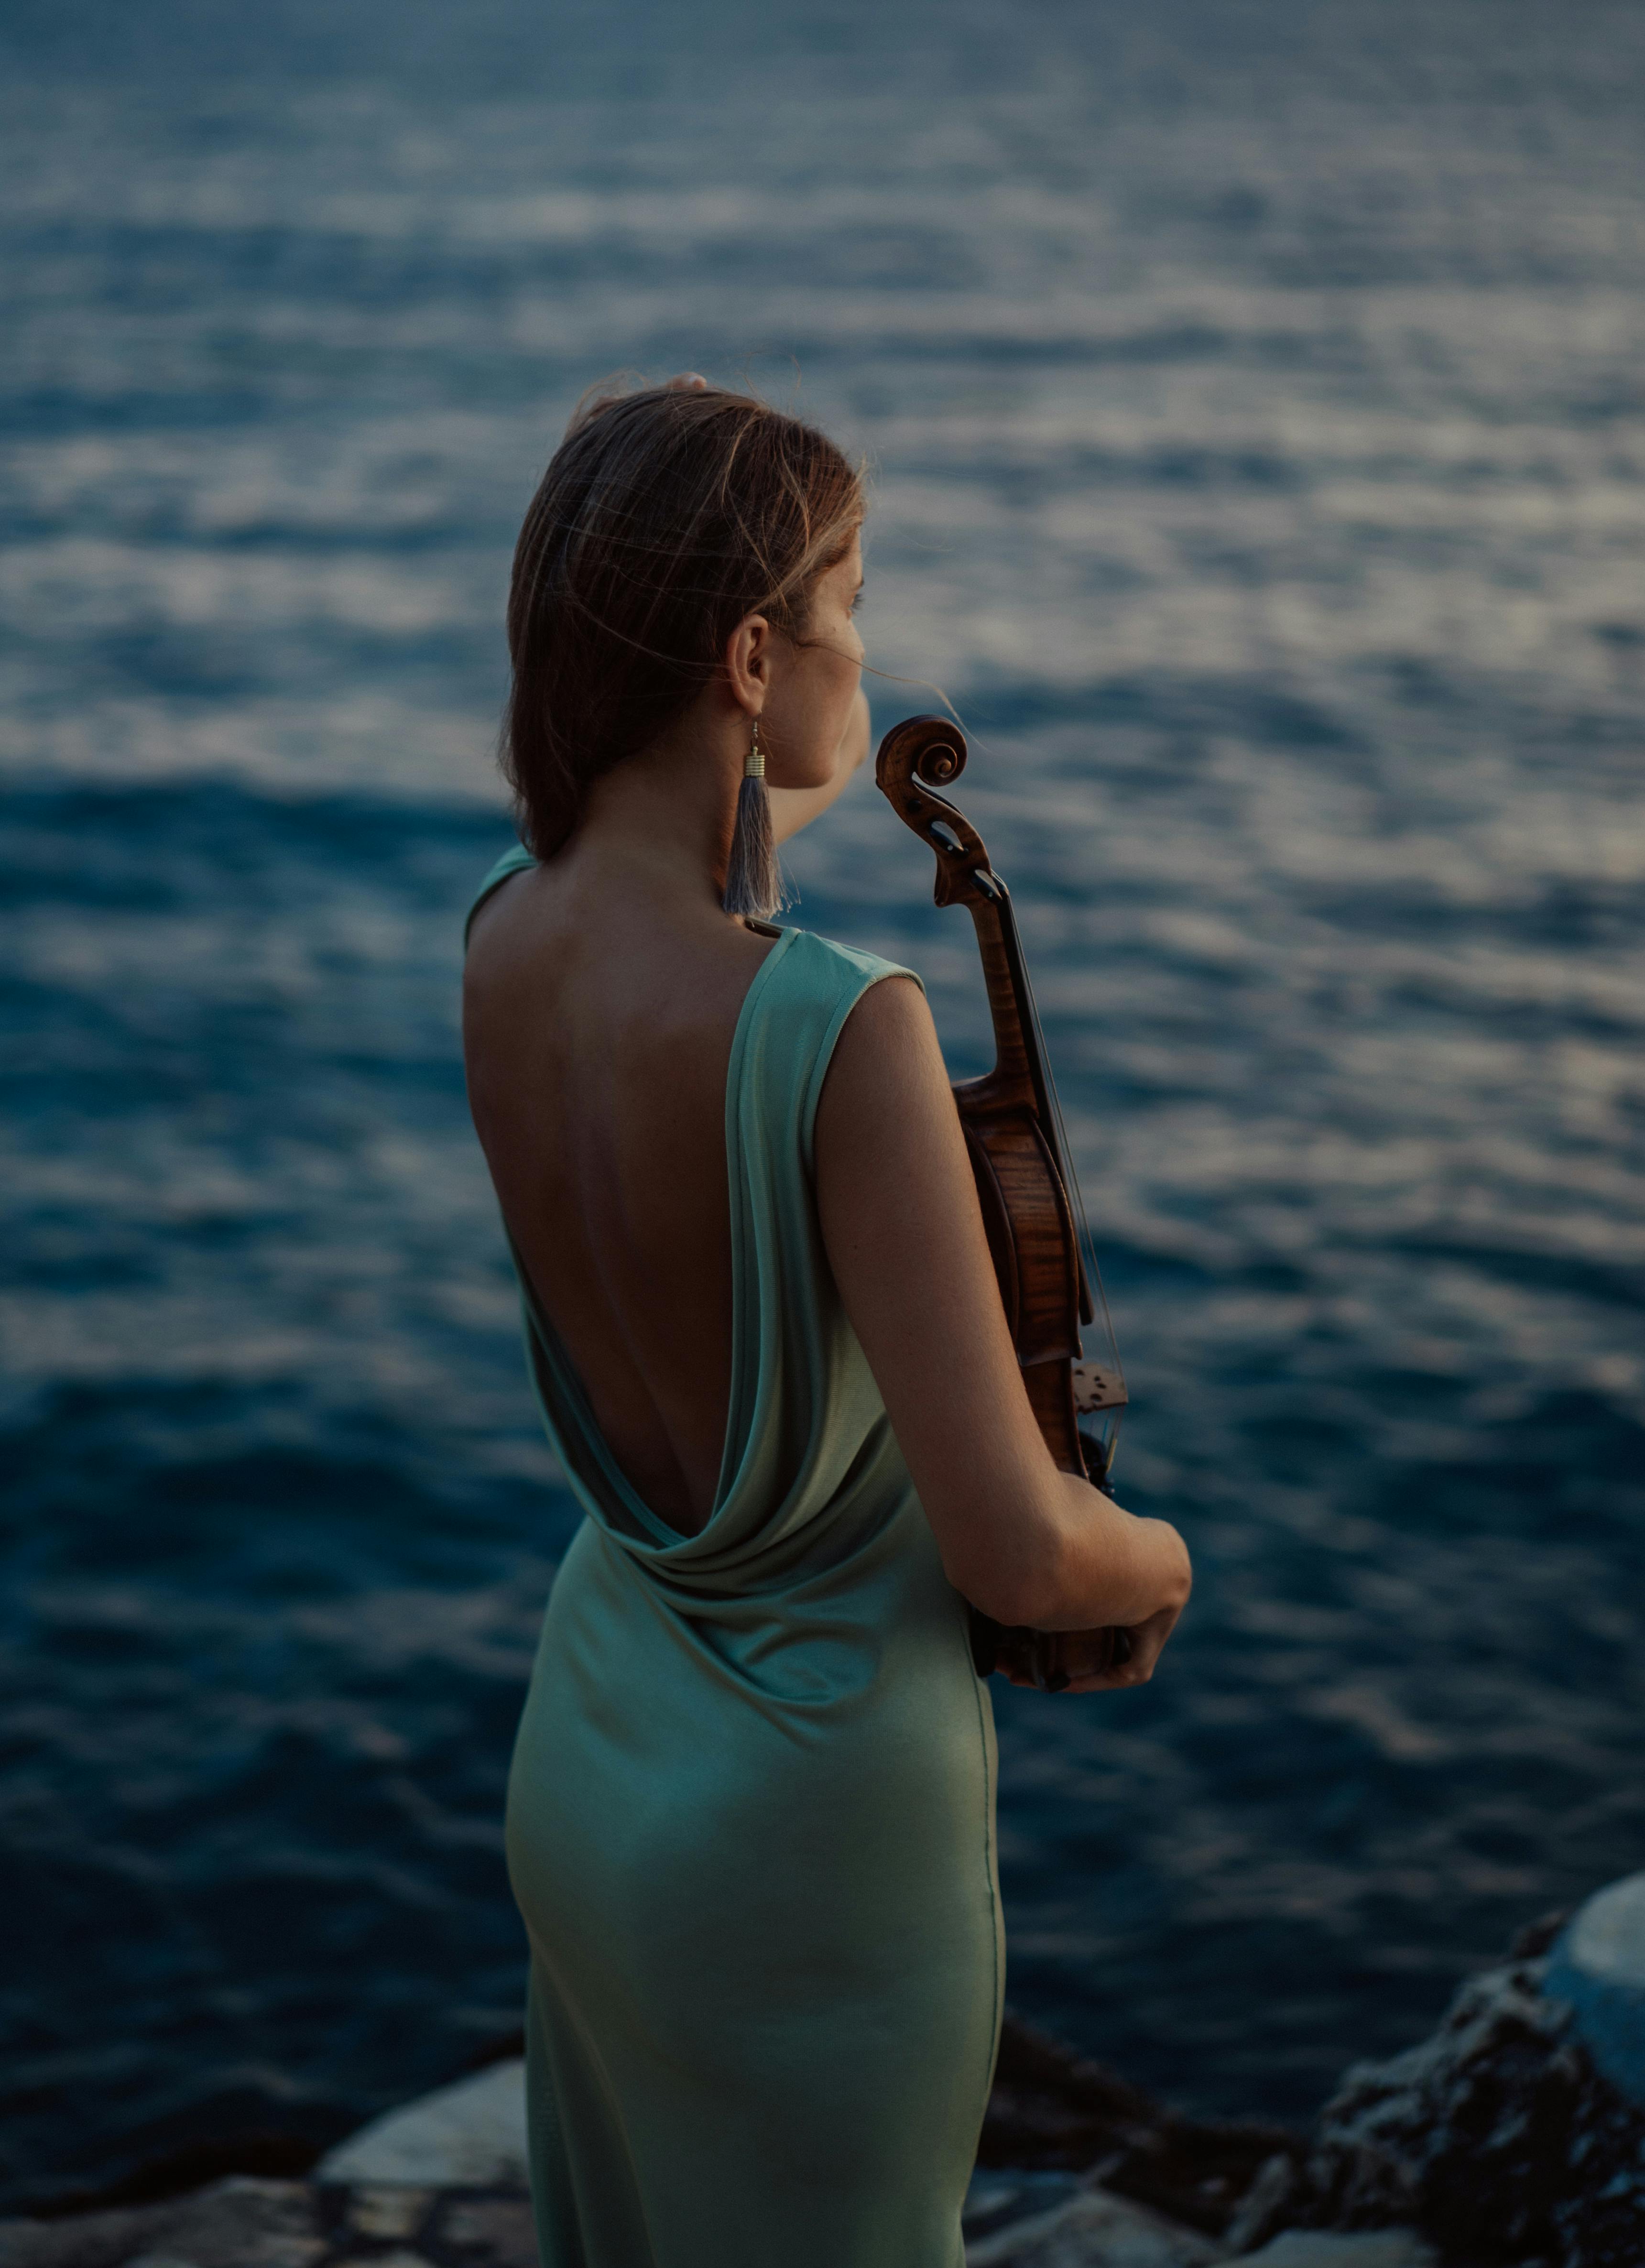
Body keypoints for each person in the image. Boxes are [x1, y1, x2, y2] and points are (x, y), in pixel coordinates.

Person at [461, 375, 1192, 2268]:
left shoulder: (501, 947)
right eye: (852, 609)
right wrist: (1159, 1549)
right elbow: (1022, 1551)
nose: (869, 661)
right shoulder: (843, 1028)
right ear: (751, 653)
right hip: (807, 1841)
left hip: (597, 1753)